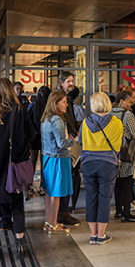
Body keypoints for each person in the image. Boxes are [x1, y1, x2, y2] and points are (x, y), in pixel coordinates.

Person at [0, 78, 36, 260]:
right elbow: (32, 135)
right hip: (15, 167)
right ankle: (20, 247)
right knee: (17, 205)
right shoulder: (20, 110)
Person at [79, 92, 122, 245]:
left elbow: (80, 142)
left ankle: (92, 234)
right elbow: (119, 145)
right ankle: (101, 235)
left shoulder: (85, 122)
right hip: (107, 163)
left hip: (89, 163)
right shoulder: (116, 122)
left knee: (90, 196)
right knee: (104, 198)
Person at [40, 91, 76, 234]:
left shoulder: (46, 118)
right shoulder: (57, 120)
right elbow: (62, 143)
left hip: (48, 158)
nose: (67, 104)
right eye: (64, 102)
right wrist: (74, 139)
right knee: (56, 193)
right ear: (56, 103)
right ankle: (54, 224)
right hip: (59, 159)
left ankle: (48, 222)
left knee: (49, 192)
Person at [110, 90, 135, 222]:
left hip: (114, 153)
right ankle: (126, 212)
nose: (131, 104)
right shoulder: (128, 115)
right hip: (128, 154)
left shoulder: (110, 113)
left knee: (118, 183)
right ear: (121, 101)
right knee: (127, 183)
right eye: (129, 101)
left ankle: (118, 210)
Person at [56, 71, 81, 226]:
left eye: (72, 81)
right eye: (68, 81)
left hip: (70, 141)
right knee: (65, 178)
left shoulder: (68, 100)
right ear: (61, 82)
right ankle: (62, 212)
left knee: (69, 177)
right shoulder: (60, 99)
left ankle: (65, 210)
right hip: (65, 145)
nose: (71, 84)